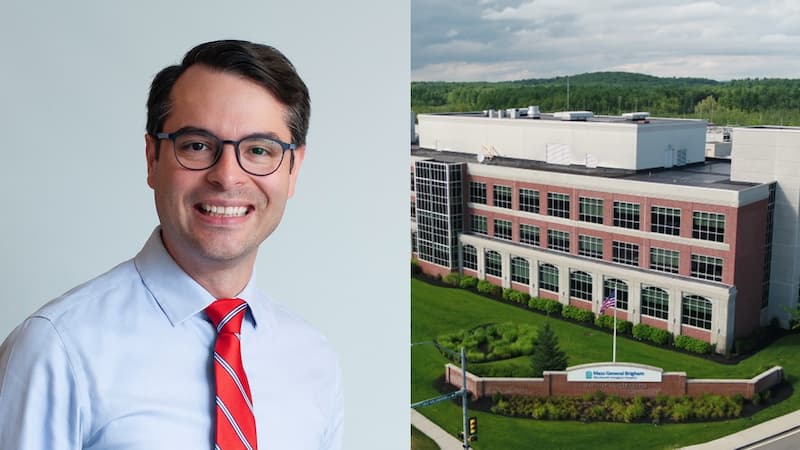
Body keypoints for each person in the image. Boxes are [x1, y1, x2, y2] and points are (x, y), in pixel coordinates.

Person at [0, 40, 343, 449]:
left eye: (258, 150)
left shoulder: (314, 361)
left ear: (293, 169)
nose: (227, 176)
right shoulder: (57, 349)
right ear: (152, 158)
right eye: (197, 145)